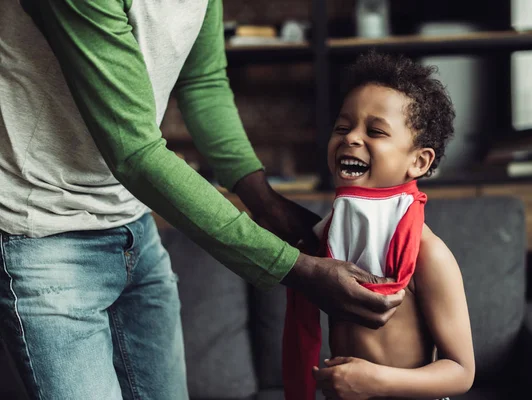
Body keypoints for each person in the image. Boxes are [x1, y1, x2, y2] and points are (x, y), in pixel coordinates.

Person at [0, 1, 406, 399]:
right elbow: (136, 153)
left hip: (132, 223)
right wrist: (294, 269)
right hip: (43, 233)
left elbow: (202, 81)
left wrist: (267, 204)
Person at [283, 52, 475, 400]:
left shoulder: (427, 254)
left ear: (418, 161)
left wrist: (374, 381)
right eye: (342, 127)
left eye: (375, 131)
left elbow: (461, 371)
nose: (351, 138)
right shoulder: (327, 238)